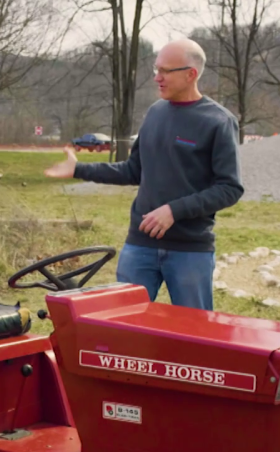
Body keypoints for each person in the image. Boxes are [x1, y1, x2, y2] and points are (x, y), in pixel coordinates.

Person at [45, 38, 243, 311]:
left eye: (165, 71)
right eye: (155, 69)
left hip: (190, 250)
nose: (157, 78)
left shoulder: (218, 121)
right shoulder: (154, 113)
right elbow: (133, 170)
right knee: (123, 325)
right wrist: (79, 169)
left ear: (191, 74)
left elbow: (229, 188)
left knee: (194, 334)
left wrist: (174, 210)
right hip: (140, 246)